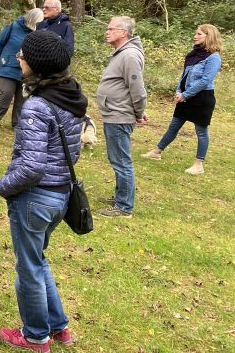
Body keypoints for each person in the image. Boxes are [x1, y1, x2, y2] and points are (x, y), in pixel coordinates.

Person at [0, 30, 87, 353]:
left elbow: (31, 167)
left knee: (28, 267)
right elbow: (70, 153)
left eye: (23, 55)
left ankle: (35, 335)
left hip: (36, 198)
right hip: (60, 196)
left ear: (37, 65)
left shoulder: (36, 106)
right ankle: (59, 326)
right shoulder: (71, 95)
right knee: (38, 259)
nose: (18, 58)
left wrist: (3, 186)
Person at [142, 24, 223, 175]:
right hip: (185, 97)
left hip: (202, 98)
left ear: (209, 36)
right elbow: (184, 75)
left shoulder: (214, 57)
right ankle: (156, 152)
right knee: (174, 126)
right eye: (196, 33)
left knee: (201, 131)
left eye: (199, 34)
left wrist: (185, 94)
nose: (195, 36)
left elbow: (205, 80)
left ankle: (199, 165)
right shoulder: (194, 54)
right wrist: (179, 91)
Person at [96, 16, 147, 218]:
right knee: (117, 158)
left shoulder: (129, 56)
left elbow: (137, 88)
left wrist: (139, 112)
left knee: (121, 161)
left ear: (123, 32)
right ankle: (120, 196)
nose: (107, 32)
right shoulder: (121, 53)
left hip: (119, 115)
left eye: (111, 29)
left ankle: (124, 206)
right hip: (114, 113)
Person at [0, 8, 44, 130]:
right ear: (32, 19)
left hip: (28, 70)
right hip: (9, 67)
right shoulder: (13, 26)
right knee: (5, 94)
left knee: (22, 97)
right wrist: (6, 57)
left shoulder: (39, 31)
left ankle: (17, 123)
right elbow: (0, 43)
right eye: (38, 21)